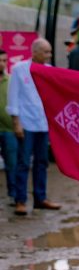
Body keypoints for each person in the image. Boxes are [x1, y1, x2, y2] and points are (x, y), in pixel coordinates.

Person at [8, 38, 62, 216]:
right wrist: (16, 122)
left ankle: (40, 198)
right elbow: (13, 97)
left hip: (43, 124)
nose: (49, 55)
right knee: (23, 162)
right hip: (26, 123)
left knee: (42, 162)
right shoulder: (19, 69)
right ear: (35, 52)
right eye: (46, 52)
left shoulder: (50, 71)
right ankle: (20, 200)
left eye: (50, 52)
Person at [0, 49, 18, 205]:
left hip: (8, 130)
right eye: (0, 60)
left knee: (12, 163)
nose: (2, 64)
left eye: (5, 61)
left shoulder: (12, 80)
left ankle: (13, 194)